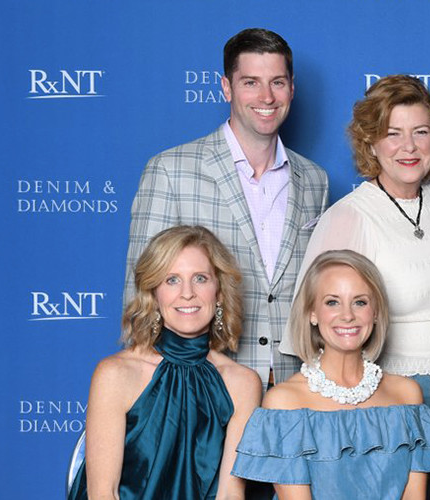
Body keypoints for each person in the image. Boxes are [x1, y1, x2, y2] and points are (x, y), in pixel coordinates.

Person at [290, 74, 430, 499]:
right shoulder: (350, 215)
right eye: (393, 134)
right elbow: (313, 321)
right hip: (388, 392)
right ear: (371, 143)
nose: (408, 147)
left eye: (420, 132)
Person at [125, 28, 330, 388]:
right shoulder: (171, 170)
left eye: (277, 82)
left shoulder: (315, 179)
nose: (266, 96)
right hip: (203, 382)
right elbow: (140, 290)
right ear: (226, 88)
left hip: (295, 384)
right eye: (250, 82)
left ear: (292, 89)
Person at [69, 225, 262, 499]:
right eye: (171, 280)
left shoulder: (242, 383)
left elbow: (230, 495)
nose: (187, 293)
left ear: (218, 292)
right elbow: (103, 493)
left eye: (200, 278)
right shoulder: (115, 374)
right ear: (153, 294)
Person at [232, 250, 430, 499]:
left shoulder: (407, 395)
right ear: (312, 313)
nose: (347, 315)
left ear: (375, 312)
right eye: (332, 302)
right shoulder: (284, 403)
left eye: (360, 302)